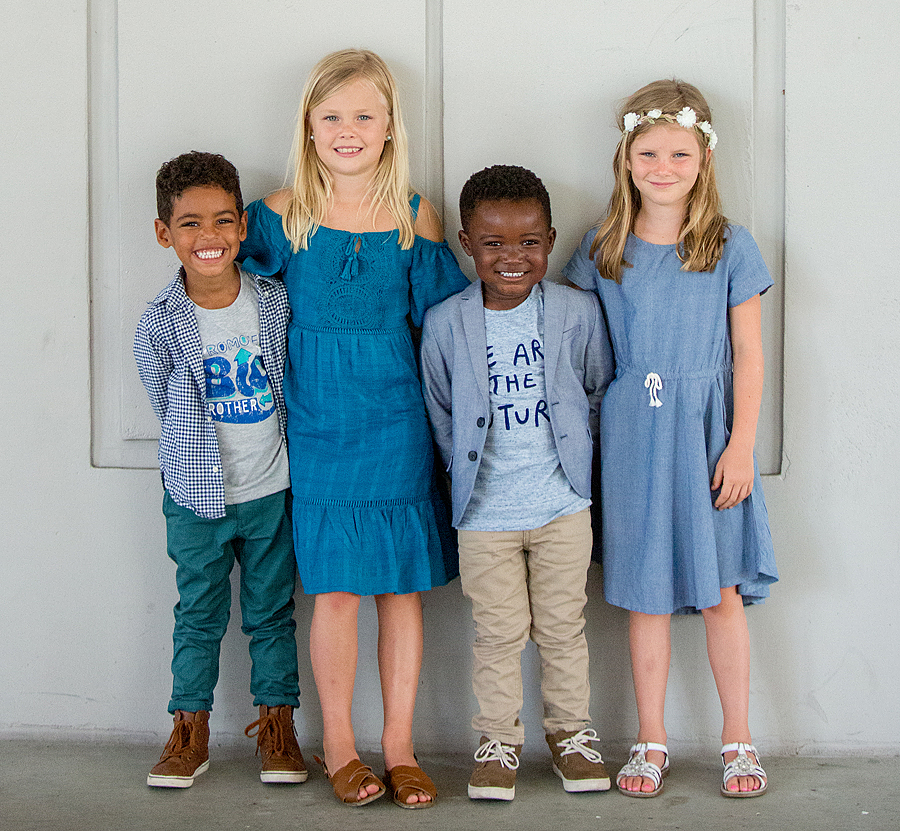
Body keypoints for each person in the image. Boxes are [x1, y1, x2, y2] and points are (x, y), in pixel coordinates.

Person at [238, 49, 467, 808]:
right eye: (332, 115)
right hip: (317, 423)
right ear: (308, 125)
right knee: (335, 589)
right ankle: (339, 742)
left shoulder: (413, 214)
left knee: (400, 589)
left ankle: (399, 746)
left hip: (397, 420)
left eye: (364, 115)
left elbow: (445, 323)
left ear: (390, 125)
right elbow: (228, 293)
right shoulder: (279, 214)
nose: (348, 129)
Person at [564, 81, 778, 800]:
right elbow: (578, 341)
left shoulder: (729, 244)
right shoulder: (604, 245)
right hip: (634, 434)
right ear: (626, 158)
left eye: (679, 153)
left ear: (704, 158)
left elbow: (749, 354)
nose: (663, 167)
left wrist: (741, 444)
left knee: (721, 591)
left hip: (711, 432)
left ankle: (737, 737)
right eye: (649, 153)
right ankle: (650, 738)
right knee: (646, 594)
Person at [421, 165, 614, 802]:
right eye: (494, 243)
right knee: (498, 634)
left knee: (563, 628)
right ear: (466, 243)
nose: (513, 257)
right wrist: (463, 478)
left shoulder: (576, 311)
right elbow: (441, 410)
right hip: (485, 515)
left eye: (530, 242)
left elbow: (595, 392)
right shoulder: (446, 322)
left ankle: (571, 734)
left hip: (563, 507)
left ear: (551, 240)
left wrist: (579, 474)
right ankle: (498, 740)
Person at [134, 151, 306, 790]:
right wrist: (194, 470)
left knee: (272, 613)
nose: (209, 236)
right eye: (190, 224)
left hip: (270, 491)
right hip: (195, 497)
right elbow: (165, 404)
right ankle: (189, 730)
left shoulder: (272, 301)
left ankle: (278, 727)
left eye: (223, 220)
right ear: (164, 233)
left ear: (243, 227)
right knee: (199, 615)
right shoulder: (160, 323)